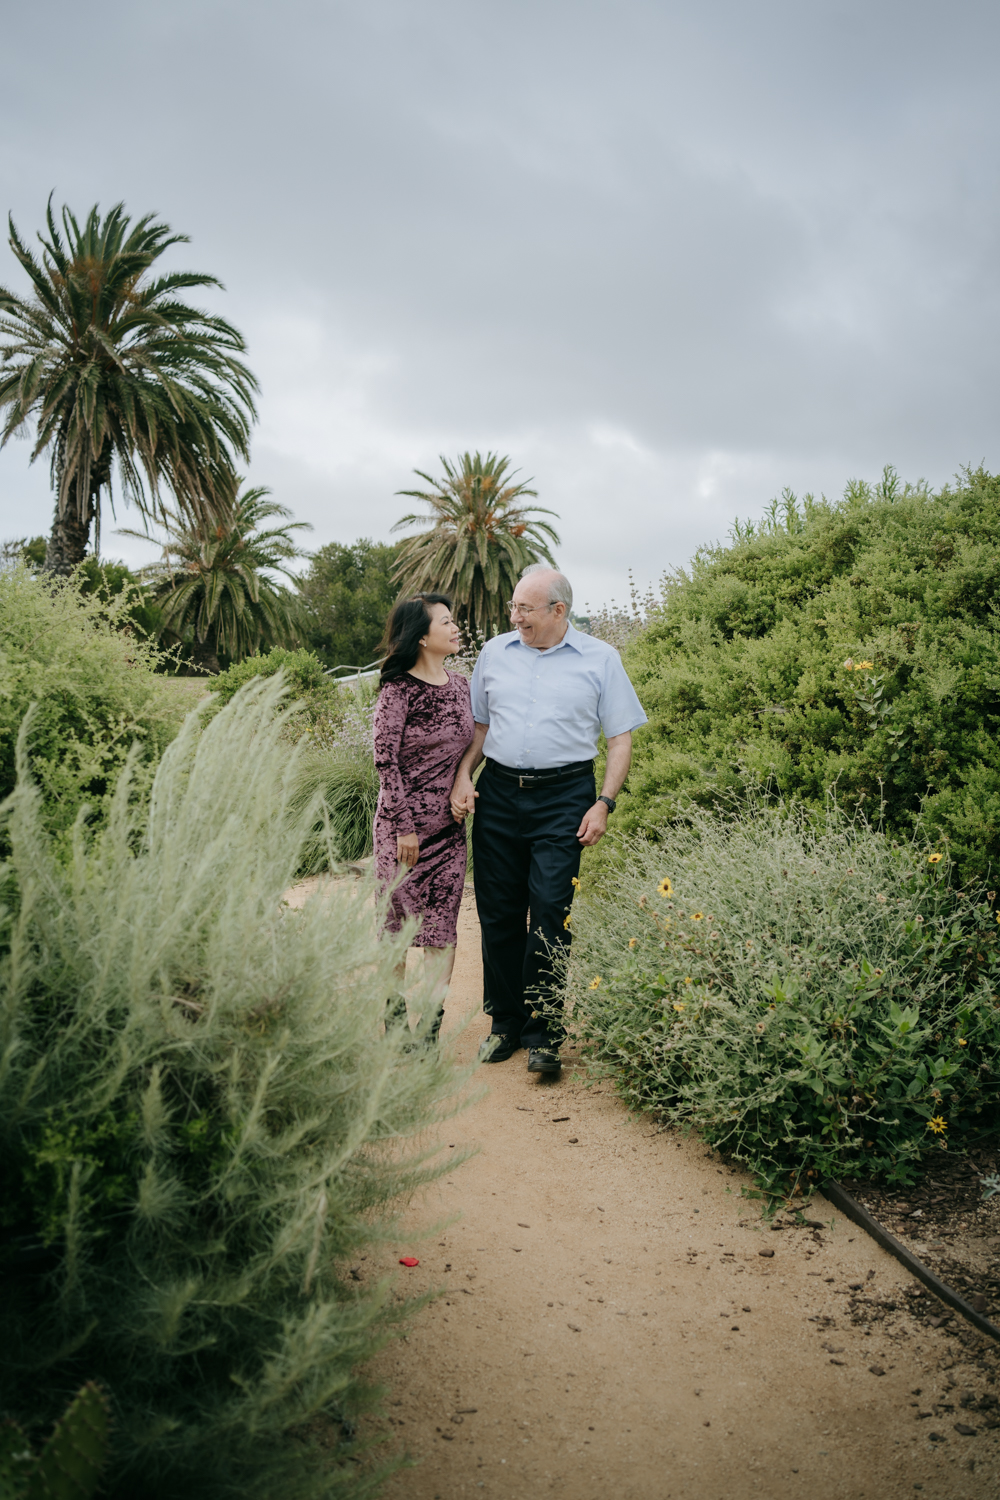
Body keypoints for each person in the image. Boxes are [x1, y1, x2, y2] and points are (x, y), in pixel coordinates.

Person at [449, 564, 647, 1074]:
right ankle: (506, 1025)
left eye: (524, 609)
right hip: (497, 792)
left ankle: (546, 1032)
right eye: (514, 607)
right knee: (498, 914)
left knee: (551, 913)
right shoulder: (494, 653)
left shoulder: (601, 659)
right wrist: (464, 775)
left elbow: (620, 738)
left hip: (565, 798)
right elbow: (479, 725)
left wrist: (604, 802)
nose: (514, 617)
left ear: (558, 611)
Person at [373, 593, 474, 1037]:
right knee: (396, 930)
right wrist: (404, 828)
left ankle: (428, 1029)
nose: (456, 629)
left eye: (455, 621)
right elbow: (384, 760)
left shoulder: (462, 686)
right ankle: (395, 1019)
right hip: (401, 835)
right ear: (421, 636)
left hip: (450, 832)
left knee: (441, 931)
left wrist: (465, 780)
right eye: (446, 622)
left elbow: (473, 745)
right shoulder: (398, 690)